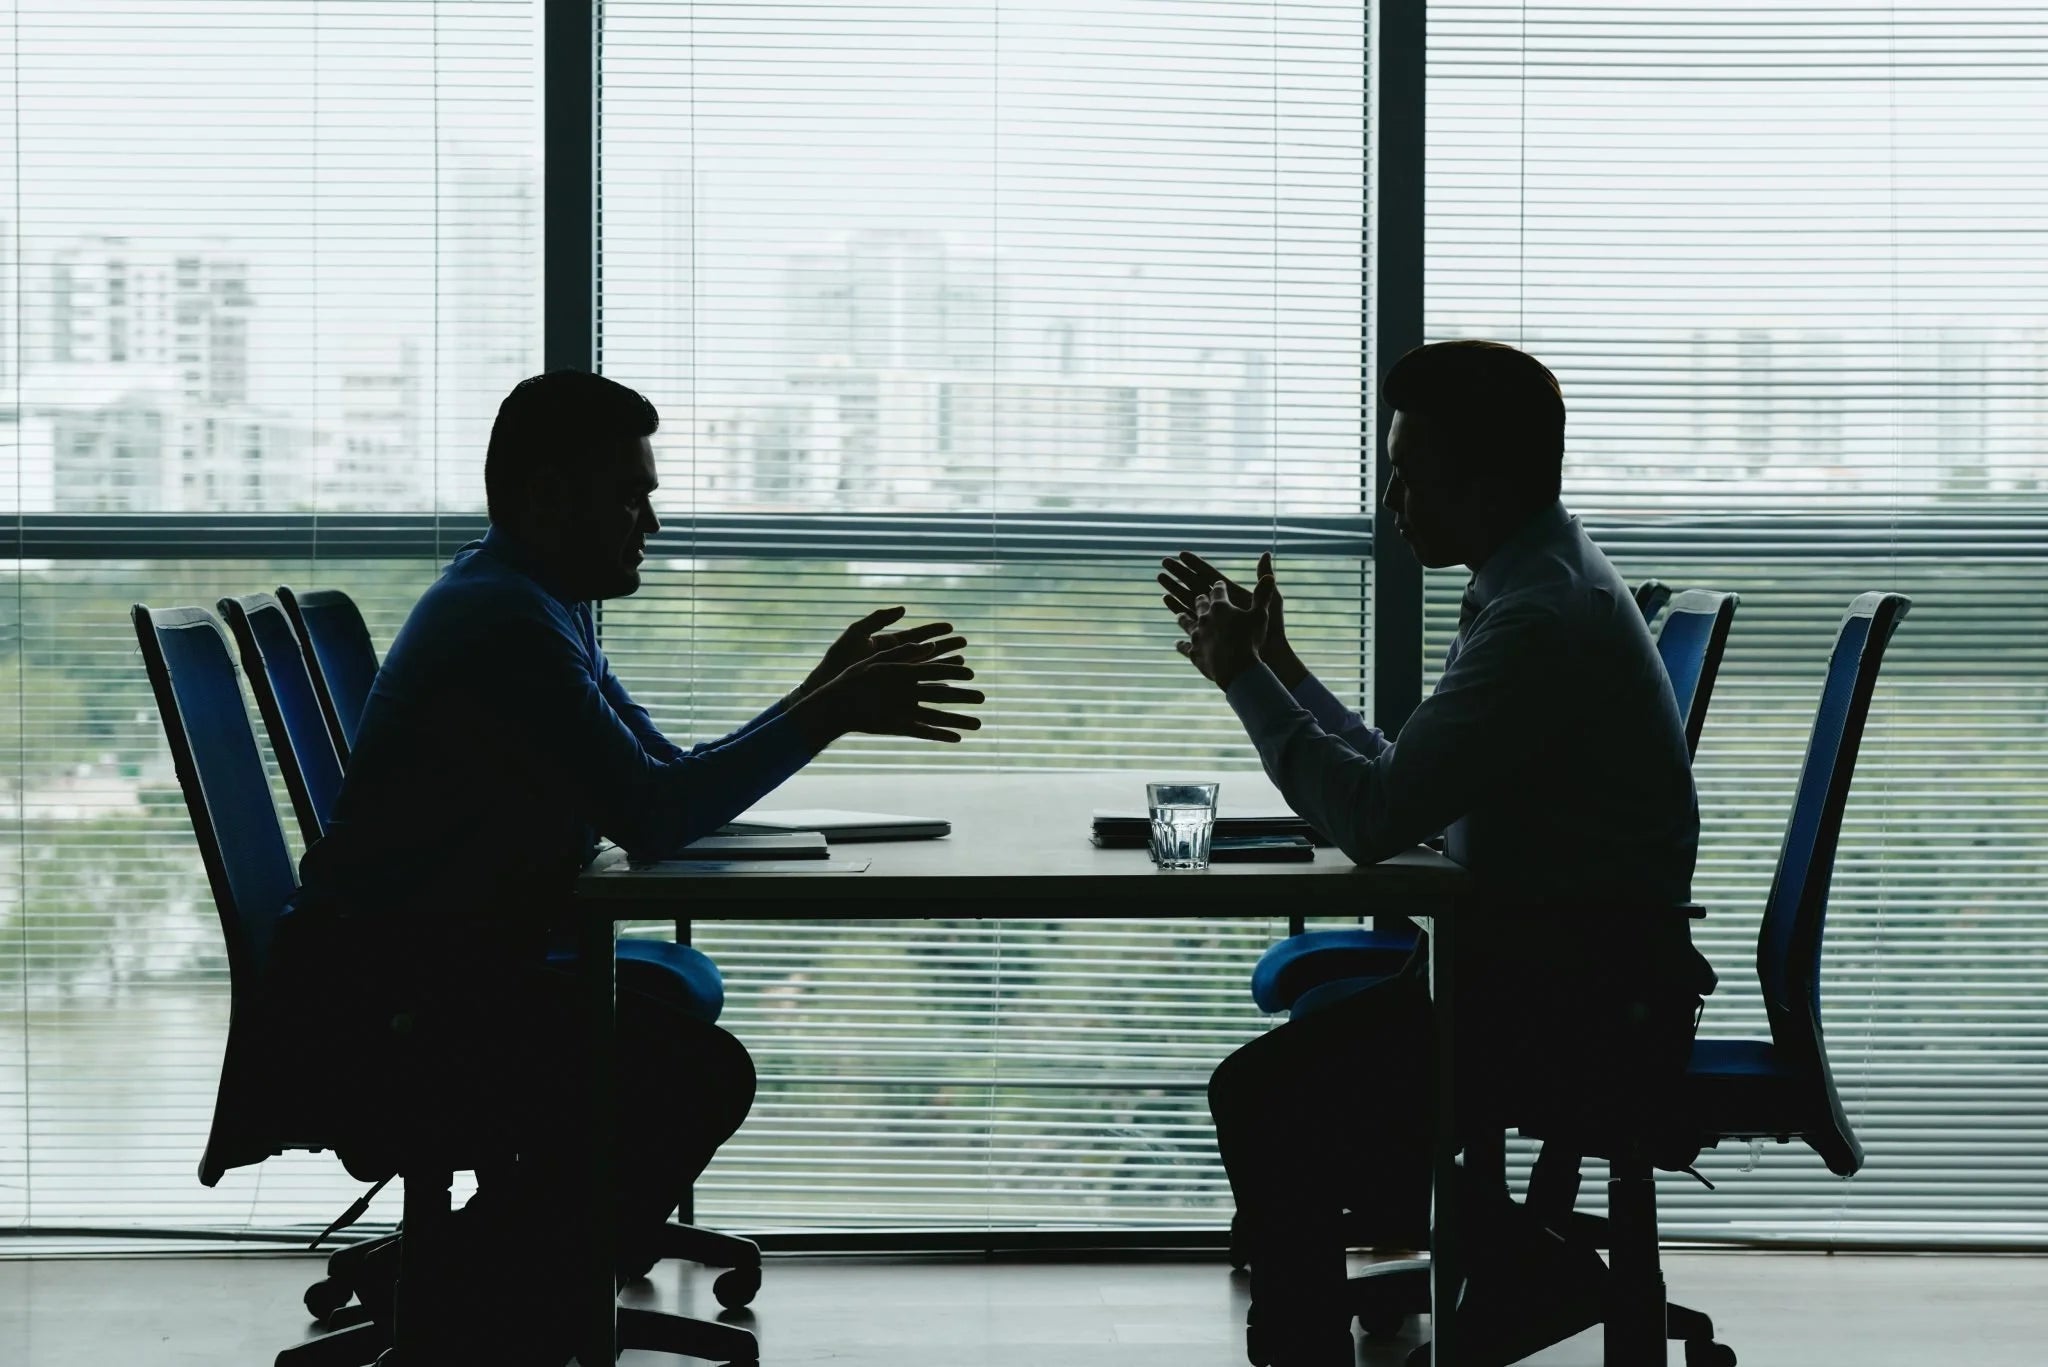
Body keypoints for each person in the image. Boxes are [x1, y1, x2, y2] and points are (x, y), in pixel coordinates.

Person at [275, 369, 984, 1356]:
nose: (647, 521)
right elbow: (655, 818)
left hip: (434, 968)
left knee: (665, 1049)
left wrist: (815, 695)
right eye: (629, 494)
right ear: (547, 498)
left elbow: (661, 775)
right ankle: (491, 1302)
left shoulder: (533, 603)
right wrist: (826, 711)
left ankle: (475, 1275)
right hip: (401, 1003)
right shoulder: (508, 623)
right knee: (691, 1074)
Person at [1159, 341, 1708, 1365]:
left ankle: (1467, 1278)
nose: (1388, 497)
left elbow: (1370, 818)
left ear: (1485, 481)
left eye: (1407, 471)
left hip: (1568, 1006)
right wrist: (1273, 666)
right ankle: (1509, 1255)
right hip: (1535, 975)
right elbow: (1402, 778)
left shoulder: (1536, 620)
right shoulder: (1533, 579)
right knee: (1285, 1091)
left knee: (1268, 1098)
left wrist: (1241, 679)